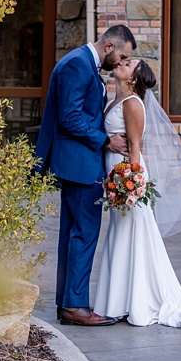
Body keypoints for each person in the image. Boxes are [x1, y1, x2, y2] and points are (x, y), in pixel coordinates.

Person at [93, 59, 181, 331]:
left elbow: (136, 148)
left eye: (128, 63)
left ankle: (135, 302)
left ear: (134, 79)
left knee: (132, 235)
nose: (121, 62)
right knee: (120, 235)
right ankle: (119, 301)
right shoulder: (117, 99)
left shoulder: (133, 104)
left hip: (127, 177)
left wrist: (130, 185)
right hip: (117, 174)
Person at [34, 24, 135, 327]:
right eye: (122, 56)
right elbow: (70, 118)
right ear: (109, 47)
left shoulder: (81, 62)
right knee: (85, 233)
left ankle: (68, 302)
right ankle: (75, 306)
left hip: (78, 163)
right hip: (80, 165)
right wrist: (106, 140)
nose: (120, 63)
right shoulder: (78, 64)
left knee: (74, 233)